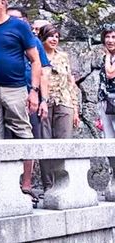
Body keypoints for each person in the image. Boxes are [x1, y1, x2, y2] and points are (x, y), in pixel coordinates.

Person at [0, 0, 48, 203]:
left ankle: (26, 184)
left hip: (16, 88)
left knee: (23, 133)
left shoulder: (19, 26)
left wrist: (34, 91)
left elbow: (35, 61)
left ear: (2, 2)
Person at [7, 5, 51, 198]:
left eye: (16, 19)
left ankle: (26, 184)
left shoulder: (33, 42)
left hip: (29, 96)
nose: (12, 22)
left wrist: (43, 100)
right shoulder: (4, 39)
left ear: (25, 21)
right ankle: (8, 184)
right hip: (6, 95)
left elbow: (43, 72)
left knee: (28, 138)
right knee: (5, 140)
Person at [38, 24, 80, 190]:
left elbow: (70, 82)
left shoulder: (63, 56)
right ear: (43, 38)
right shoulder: (37, 55)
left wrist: (75, 108)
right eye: (50, 36)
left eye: (56, 36)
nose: (54, 39)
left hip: (64, 101)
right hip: (44, 103)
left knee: (64, 144)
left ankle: (63, 184)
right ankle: (48, 186)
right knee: (45, 144)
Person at [98, 26, 115, 138]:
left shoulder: (108, 56)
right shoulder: (107, 57)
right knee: (108, 137)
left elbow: (110, 74)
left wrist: (108, 55)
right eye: (107, 37)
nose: (110, 40)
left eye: (114, 37)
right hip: (105, 101)